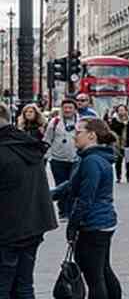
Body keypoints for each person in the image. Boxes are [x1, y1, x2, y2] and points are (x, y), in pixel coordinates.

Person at [0, 103, 58, 299]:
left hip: (8, 228)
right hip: (34, 223)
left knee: (3, 286)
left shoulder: (6, 148)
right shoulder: (26, 143)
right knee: (24, 284)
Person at [61, 118, 122, 299]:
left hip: (93, 224)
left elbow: (85, 198)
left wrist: (72, 225)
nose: (74, 136)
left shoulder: (91, 161)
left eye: (78, 132)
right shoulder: (96, 158)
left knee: (94, 277)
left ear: (91, 135)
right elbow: (72, 185)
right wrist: (48, 194)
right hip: (104, 221)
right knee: (103, 270)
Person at [44, 99, 81, 219]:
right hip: (57, 159)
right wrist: (46, 156)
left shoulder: (81, 122)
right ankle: (63, 211)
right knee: (60, 185)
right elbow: (47, 139)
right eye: (65, 108)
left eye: (70, 108)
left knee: (73, 185)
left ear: (75, 109)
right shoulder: (54, 122)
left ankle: (71, 210)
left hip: (75, 158)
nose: (67, 110)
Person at [107, 105, 129, 184]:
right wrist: (122, 124)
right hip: (118, 143)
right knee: (118, 161)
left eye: (123, 110)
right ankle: (118, 177)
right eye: (120, 110)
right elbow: (113, 128)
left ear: (126, 111)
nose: (121, 112)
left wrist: (128, 124)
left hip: (128, 142)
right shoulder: (115, 120)